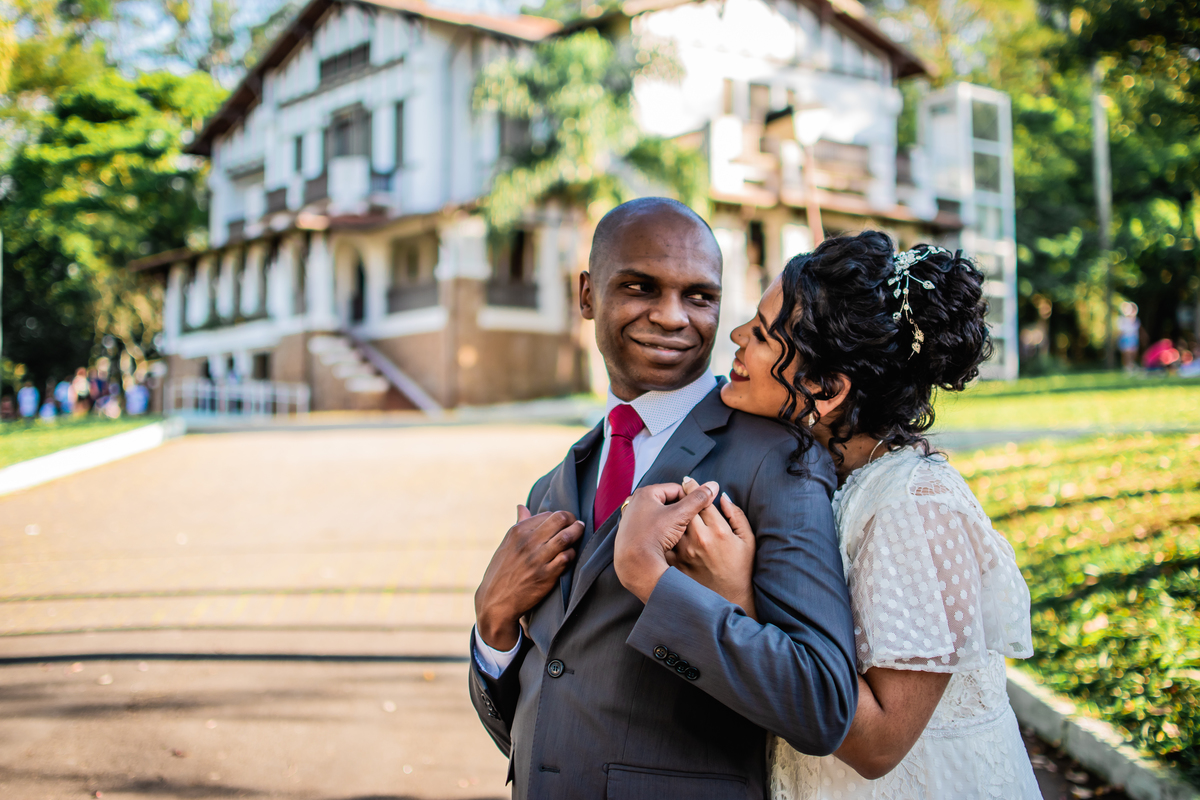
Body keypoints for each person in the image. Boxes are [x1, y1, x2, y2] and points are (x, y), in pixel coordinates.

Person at [623, 232, 1040, 799]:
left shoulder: (913, 507)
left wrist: (737, 600)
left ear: (825, 389)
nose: (738, 338)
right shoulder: (818, 473)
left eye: (765, 336)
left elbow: (879, 746)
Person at [469, 197, 858, 799]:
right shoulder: (553, 486)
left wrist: (660, 586)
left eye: (699, 296)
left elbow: (821, 703)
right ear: (587, 295)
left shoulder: (775, 459)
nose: (673, 317)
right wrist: (494, 630)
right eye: (640, 287)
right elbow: (544, 721)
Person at [1118, 301, 1142, 372]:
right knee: (1127, 353)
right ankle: (1127, 367)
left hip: (1133, 338)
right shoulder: (1122, 320)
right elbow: (1121, 331)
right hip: (1126, 338)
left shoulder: (1136, 320)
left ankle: (1131, 365)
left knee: (1133, 353)